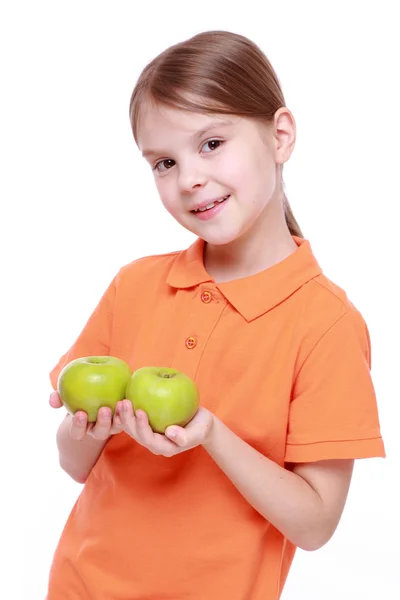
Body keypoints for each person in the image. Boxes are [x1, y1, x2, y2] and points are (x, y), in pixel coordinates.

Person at [47, 30, 385, 600]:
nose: (188, 179)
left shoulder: (323, 324)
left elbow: (316, 523)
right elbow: (76, 464)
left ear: (280, 136)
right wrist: (87, 429)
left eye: (210, 144)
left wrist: (212, 436)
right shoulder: (135, 285)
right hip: (81, 585)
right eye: (163, 162)